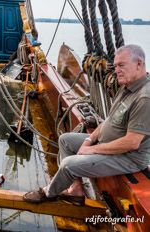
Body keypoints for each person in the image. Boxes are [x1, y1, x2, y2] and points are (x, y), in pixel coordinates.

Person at [23, 44, 150, 206]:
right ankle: (76, 190)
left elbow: (131, 143)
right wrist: (89, 139)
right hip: (107, 143)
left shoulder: (144, 98)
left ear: (139, 64)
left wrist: (92, 149)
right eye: (116, 65)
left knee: (69, 165)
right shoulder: (127, 87)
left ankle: (48, 193)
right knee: (65, 140)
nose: (117, 70)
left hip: (128, 158)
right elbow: (109, 120)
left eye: (121, 65)